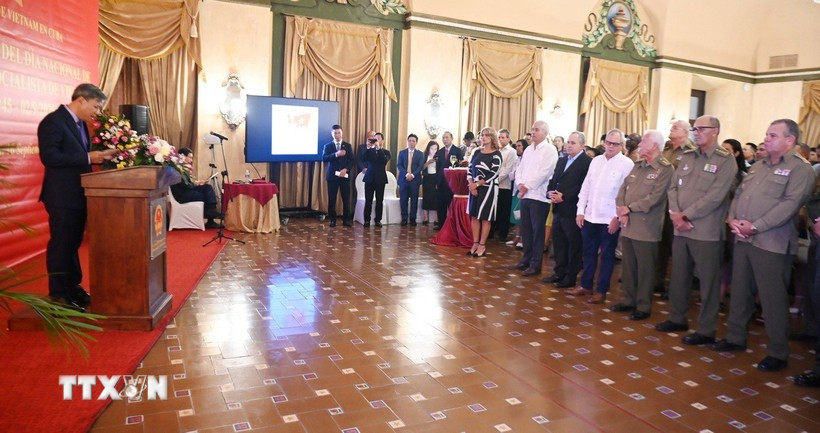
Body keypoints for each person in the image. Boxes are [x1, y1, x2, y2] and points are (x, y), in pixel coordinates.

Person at [711, 119, 814, 373]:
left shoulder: (801, 170)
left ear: (790, 140)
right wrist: (734, 219)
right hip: (743, 237)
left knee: (772, 299)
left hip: (772, 243)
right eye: (766, 134)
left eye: (773, 135)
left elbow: (789, 205)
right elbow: (739, 195)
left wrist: (755, 225)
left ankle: (778, 352)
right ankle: (735, 337)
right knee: (741, 291)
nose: (766, 139)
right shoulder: (759, 165)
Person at [655, 115, 738, 345]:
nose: (696, 131)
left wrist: (686, 215)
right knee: (679, 276)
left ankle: (706, 329)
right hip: (681, 228)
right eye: (695, 128)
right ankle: (677, 318)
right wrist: (675, 213)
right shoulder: (688, 156)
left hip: (705, 231)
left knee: (708, 282)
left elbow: (717, 196)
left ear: (715, 131)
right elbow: (673, 187)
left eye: (702, 128)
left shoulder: (725, 160)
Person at [38, 83, 117, 310]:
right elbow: (50, 156)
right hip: (61, 196)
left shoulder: (81, 124)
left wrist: (99, 156)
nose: (97, 112)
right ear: (81, 100)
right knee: (62, 244)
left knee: (73, 243)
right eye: (96, 106)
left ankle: (73, 288)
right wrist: (88, 157)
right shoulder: (53, 121)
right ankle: (59, 294)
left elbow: (82, 156)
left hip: (79, 193)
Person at [610, 130, 674, 320]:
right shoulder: (638, 165)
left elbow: (655, 198)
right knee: (628, 266)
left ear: (655, 145)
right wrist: (621, 206)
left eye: (644, 141)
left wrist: (628, 208)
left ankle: (643, 306)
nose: (640, 144)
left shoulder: (665, 168)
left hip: (646, 227)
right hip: (628, 224)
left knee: (645, 269)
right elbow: (623, 188)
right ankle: (628, 300)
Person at [569, 128, 634, 304]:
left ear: (621, 145)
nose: (610, 146)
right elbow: (586, 187)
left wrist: (616, 218)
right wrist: (580, 211)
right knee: (588, 252)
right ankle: (586, 285)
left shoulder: (627, 164)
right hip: (591, 215)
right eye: (608, 142)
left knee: (606, 255)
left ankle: (601, 290)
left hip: (609, 218)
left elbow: (626, 194)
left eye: (615, 143)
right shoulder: (596, 161)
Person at [507, 120, 558, 276]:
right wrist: (521, 184)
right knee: (526, 230)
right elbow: (520, 169)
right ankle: (525, 260)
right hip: (525, 195)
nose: (533, 132)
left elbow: (545, 173)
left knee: (537, 232)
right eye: (532, 129)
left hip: (539, 197)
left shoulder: (550, 150)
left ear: (545, 133)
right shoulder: (529, 149)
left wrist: (527, 186)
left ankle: (536, 264)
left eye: (536, 129)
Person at [543, 131, 591, 289]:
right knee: (559, 242)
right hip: (558, 207)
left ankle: (571, 276)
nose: (568, 145)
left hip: (572, 209)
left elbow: (583, 186)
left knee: (573, 244)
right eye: (568, 142)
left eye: (573, 143)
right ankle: (559, 272)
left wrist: (565, 196)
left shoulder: (586, 162)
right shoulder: (562, 160)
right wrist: (550, 191)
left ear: (582, 146)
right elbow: (554, 179)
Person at [657, 120, 697, 297]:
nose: (671, 129)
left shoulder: (691, 151)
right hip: (660, 203)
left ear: (686, 132)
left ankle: (676, 287)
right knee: (661, 245)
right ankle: (658, 281)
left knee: (678, 249)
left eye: (675, 127)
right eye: (671, 126)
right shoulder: (665, 149)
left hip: (679, 205)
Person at [467, 127, 503, 257]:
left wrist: (477, 184)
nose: (483, 137)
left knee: (485, 217)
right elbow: (470, 169)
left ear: (492, 137)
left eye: (487, 135)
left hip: (488, 189)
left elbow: (493, 174)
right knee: (474, 216)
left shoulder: (496, 154)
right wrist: (471, 184)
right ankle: (475, 243)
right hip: (474, 187)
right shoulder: (476, 152)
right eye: (482, 135)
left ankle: (482, 245)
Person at [171, 148, 220, 228]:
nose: (191, 160)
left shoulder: (183, 167)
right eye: (190, 157)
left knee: (207, 187)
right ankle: (211, 215)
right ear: (182, 156)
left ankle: (211, 213)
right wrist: (196, 185)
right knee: (204, 195)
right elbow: (185, 185)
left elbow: (187, 183)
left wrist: (197, 183)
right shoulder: (177, 168)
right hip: (182, 195)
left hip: (186, 190)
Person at [322, 124, 354, 227]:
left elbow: (352, 160)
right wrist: (336, 154)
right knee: (332, 199)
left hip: (344, 176)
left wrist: (346, 169)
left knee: (346, 198)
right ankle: (332, 220)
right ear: (332, 134)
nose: (337, 134)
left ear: (342, 133)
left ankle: (346, 220)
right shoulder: (328, 146)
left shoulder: (348, 146)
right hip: (332, 176)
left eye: (339, 132)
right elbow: (324, 158)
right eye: (335, 133)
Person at [491, 128, 517, 242]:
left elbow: (507, 169)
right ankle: (490, 233)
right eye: (499, 137)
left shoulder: (511, 151)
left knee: (503, 211)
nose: (500, 139)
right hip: (493, 184)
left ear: (508, 138)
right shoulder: (495, 150)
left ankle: (503, 234)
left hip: (504, 185)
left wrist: (495, 179)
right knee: (493, 210)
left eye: (503, 137)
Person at [434, 131, 463, 229]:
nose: (445, 139)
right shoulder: (440, 151)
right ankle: (441, 225)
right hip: (441, 181)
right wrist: (437, 182)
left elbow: (460, 165)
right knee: (440, 204)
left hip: (452, 182)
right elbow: (437, 168)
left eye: (447, 137)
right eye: (443, 138)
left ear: (451, 138)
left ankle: (452, 226)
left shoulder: (457, 151)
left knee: (451, 204)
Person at [361, 132, 390, 227]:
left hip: (380, 179)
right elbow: (363, 158)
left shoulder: (386, 152)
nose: (376, 140)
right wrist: (369, 148)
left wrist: (379, 148)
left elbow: (384, 161)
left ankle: (378, 220)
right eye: (375, 138)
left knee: (379, 200)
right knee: (368, 200)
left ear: (382, 140)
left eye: (378, 138)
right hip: (369, 178)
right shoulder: (369, 151)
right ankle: (366, 220)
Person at [397, 133, 424, 226]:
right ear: (407, 141)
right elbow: (399, 165)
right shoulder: (402, 152)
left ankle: (413, 219)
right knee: (403, 199)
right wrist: (407, 174)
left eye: (413, 141)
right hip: (403, 179)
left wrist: (412, 175)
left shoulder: (420, 154)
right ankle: (404, 218)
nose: (411, 142)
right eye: (410, 140)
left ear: (416, 142)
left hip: (415, 180)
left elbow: (420, 166)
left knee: (414, 200)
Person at [507, 139, 527, 249]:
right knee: (516, 216)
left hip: (523, 191)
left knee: (523, 216)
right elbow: (511, 176)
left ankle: (523, 239)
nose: (517, 148)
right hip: (515, 189)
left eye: (519, 146)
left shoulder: (528, 160)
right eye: (517, 146)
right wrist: (515, 173)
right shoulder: (517, 159)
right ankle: (517, 237)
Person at [421, 140, 440, 225]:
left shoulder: (438, 157)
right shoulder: (424, 156)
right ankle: (425, 218)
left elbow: (440, 170)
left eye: (435, 149)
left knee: (436, 198)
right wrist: (428, 162)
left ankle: (436, 218)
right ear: (428, 148)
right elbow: (421, 168)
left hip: (435, 178)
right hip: (427, 178)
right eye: (432, 148)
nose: (433, 150)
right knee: (426, 197)